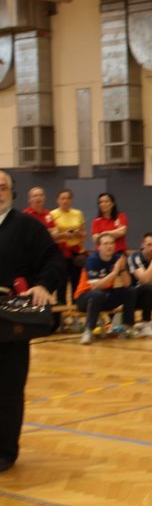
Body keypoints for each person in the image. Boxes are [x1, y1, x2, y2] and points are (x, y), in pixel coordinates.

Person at [0, 171, 65, 472]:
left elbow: (54, 260)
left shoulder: (27, 226)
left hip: (9, 319)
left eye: (2, 187)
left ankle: (4, 451)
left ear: (12, 192)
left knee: (8, 388)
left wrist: (43, 285)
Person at [73, 232, 138, 345]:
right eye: (106, 243)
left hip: (105, 295)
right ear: (99, 247)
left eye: (112, 243)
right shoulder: (92, 260)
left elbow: (127, 284)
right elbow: (95, 286)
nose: (109, 246)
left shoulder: (117, 258)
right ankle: (88, 331)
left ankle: (127, 328)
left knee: (130, 291)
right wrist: (114, 273)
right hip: (84, 297)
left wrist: (122, 269)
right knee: (97, 294)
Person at [50, 188, 87, 306]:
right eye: (62, 198)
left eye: (67, 198)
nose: (65, 201)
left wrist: (78, 233)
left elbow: (84, 233)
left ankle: (77, 310)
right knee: (61, 283)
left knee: (77, 282)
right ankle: (61, 312)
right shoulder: (52, 214)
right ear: (58, 200)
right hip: (60, 252)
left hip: (76, 252)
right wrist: (64, 235)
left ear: (71, 200)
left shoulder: (78, 213)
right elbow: (51, 236)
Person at [126, 232, 152, 337]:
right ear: (142, 245)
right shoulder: (135, 257)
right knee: (149, 288)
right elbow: (145, 280)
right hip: (136, 295)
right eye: (149, 245)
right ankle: (146, 324)